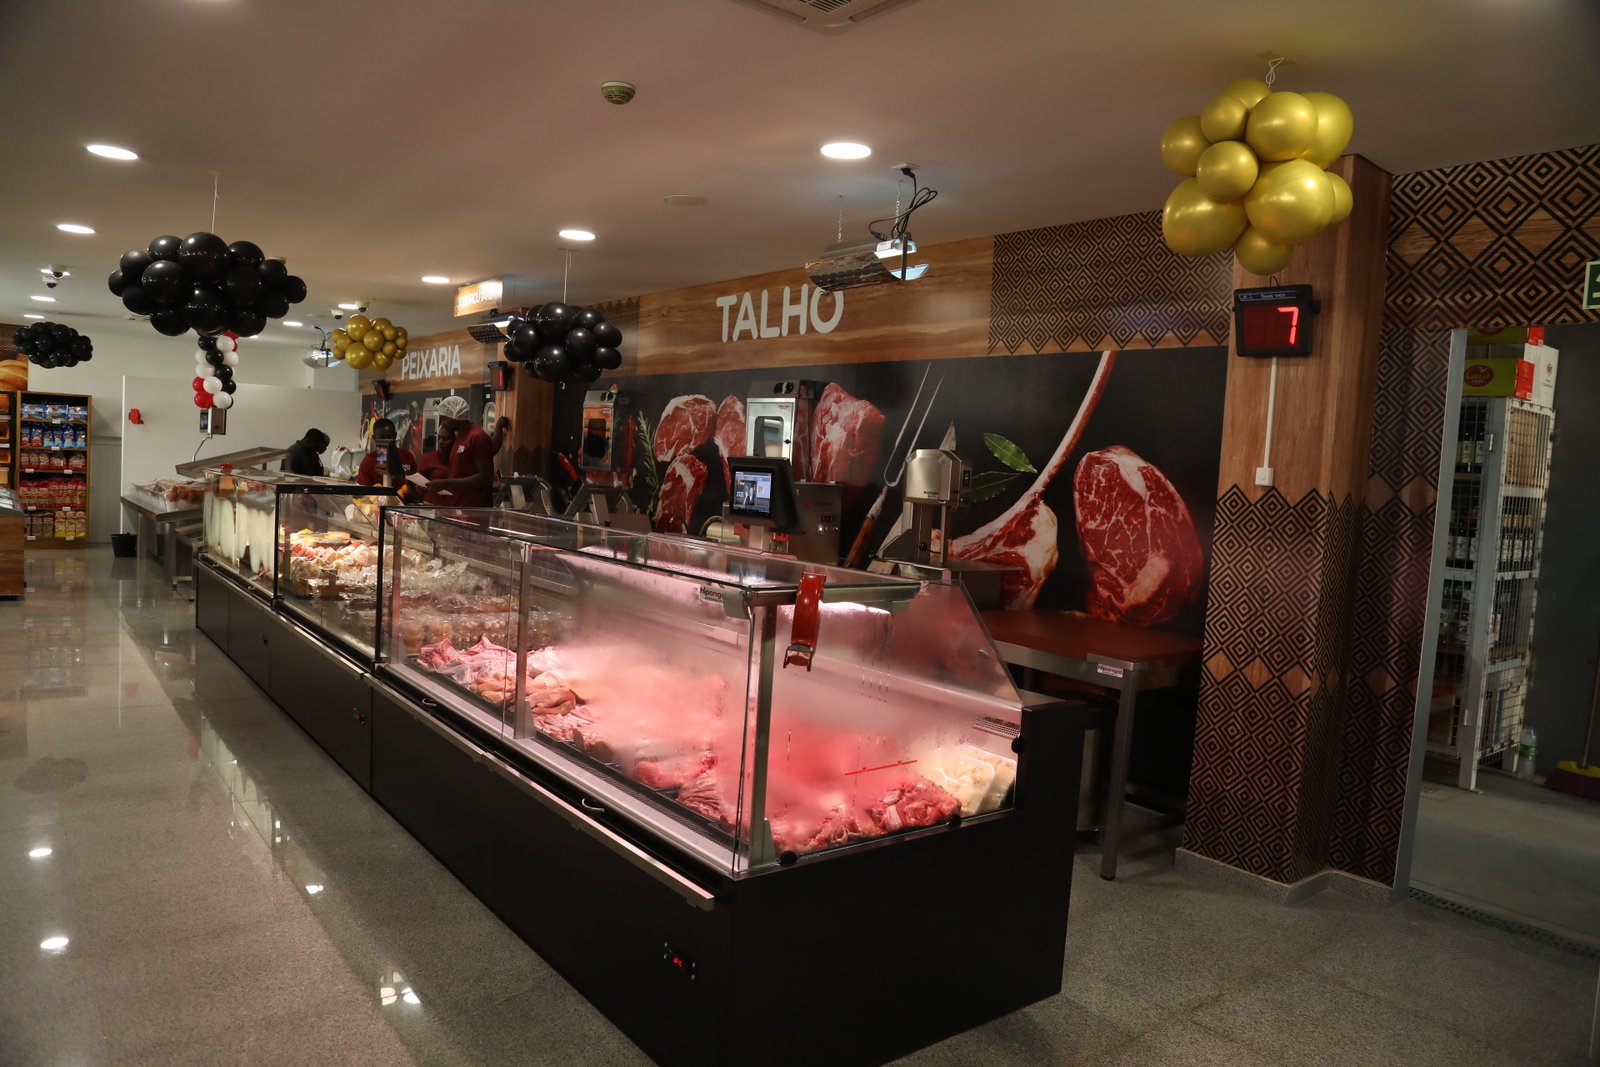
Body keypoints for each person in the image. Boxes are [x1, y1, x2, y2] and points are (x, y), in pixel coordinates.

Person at [424, 396, 498, 507]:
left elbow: (485, 478)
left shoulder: (477, 437)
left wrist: (446, 483)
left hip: (473, 509)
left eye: (443, 419)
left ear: (452, 418)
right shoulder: (460, 437)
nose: (442, 424)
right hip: (457, 507)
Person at [356, 418, 417, 487]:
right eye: (382, 438)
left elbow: (415, 485)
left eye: (389, 437)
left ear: (395, 435)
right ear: (374, 438)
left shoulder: (407, 456)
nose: (387, 441)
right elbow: (364, 491)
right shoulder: (367, 463)